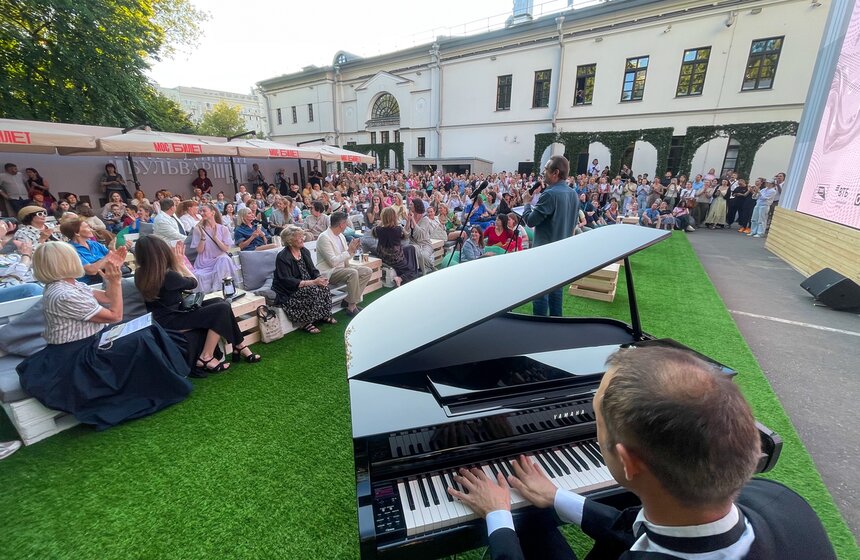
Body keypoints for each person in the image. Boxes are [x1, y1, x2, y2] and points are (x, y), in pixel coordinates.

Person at [448, 347, 836, 560]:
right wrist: (558, 497)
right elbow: (645, 527)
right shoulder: (781, 501)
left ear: (629, 461)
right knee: (536, 519)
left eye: (596, 422)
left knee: (520, 525)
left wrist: (499, 516)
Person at [16, 242, 192, 430]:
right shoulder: (63, 294)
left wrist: (113, 277)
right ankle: (163, 387)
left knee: (148, 326)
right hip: (76, 357)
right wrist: (115, 281)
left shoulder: (71, 285)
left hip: (93, 342)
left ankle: (174, 375)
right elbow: (115, 315)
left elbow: (107, 298)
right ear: (67, 261)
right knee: (140, 339)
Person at [134, 236, 260, 372]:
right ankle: (206, 357)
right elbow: (194, 283)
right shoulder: (168, 276)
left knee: (219, 302)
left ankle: (239, 345)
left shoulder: (140, 274)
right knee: (221, 308)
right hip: (172, 321)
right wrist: (180, 264)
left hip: (162, 319)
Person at [522, 155, 579, 317]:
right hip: (562, 254)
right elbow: (572, 225)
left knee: (540, 295)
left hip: (544, 255)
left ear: (555, 172)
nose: (543, 173)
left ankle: (540, 329)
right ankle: (556, 327)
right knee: (556, 294)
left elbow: (530, 221)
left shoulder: (550, 194)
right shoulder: (573, 194)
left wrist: (526, 203)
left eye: (546, 169)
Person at [271, 226, 336, 334]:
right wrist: (312, 282)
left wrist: (320, 278)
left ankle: (323, 315)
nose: (303, 239)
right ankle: (304, 322)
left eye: (302, 236)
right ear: (290, 241)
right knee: (312, 291)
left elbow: (313, 270)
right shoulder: (283, 257)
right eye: (299, 237)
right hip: (290, 288)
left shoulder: (304, 251)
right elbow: (287, 280)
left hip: (308, 282)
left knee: (324, 288)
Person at [312, 213, 371, 317]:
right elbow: (333, 262)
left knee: (367, 271)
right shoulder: (324, 238)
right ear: (341, 224)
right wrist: (349, 251)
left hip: (343, 268)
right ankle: (351, 307)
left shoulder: (341, 236)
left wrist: (353, 250)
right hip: (329, 271)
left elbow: (346, 257)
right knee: (353, 273)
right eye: (346, 223)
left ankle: (348, 300)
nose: (347, 225)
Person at [191, 203, 238, 293]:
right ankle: (219, 289)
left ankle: (217, 289)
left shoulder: (223, 229)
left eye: (204, 211)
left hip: (220, 259)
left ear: (212, 213)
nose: (201, 213)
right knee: (223, 260)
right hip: (204, 261)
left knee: (224, 259)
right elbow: (199, 251)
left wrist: (215, 238)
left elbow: (226, 249)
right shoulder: (198, 229)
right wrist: (203, 237)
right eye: (200, 211)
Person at [60, 219, 124, 284]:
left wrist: (113, 250)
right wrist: (109, 255)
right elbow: (91, 270)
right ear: (77, 233)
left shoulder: (94, 244)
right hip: (90, 284)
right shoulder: (71, 250)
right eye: (87, 227)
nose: (91, 229)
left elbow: (116, 261)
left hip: (109, 278)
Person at [373, 207, 419, 286]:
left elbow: (374, 233)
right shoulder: (398, 229)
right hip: (395, 258)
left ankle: (403, 269)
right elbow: (406, 236)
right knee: (413, 271)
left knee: (410, 248)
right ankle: (400, 278)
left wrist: (381, 223)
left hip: (383, 256)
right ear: (394, 217)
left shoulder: (378, 230)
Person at [405, 198, 435, 274]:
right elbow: (406, 234)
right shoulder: (410, 217)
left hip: (425, 244)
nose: (409, 206)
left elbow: (420, 235)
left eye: (411, 204)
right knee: (415, 252)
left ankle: (430, 267)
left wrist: (413, 220)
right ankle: (423, 269)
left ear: (416, 206)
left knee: (423, 255)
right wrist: (408, 220)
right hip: (413, 243)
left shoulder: (425, 219)